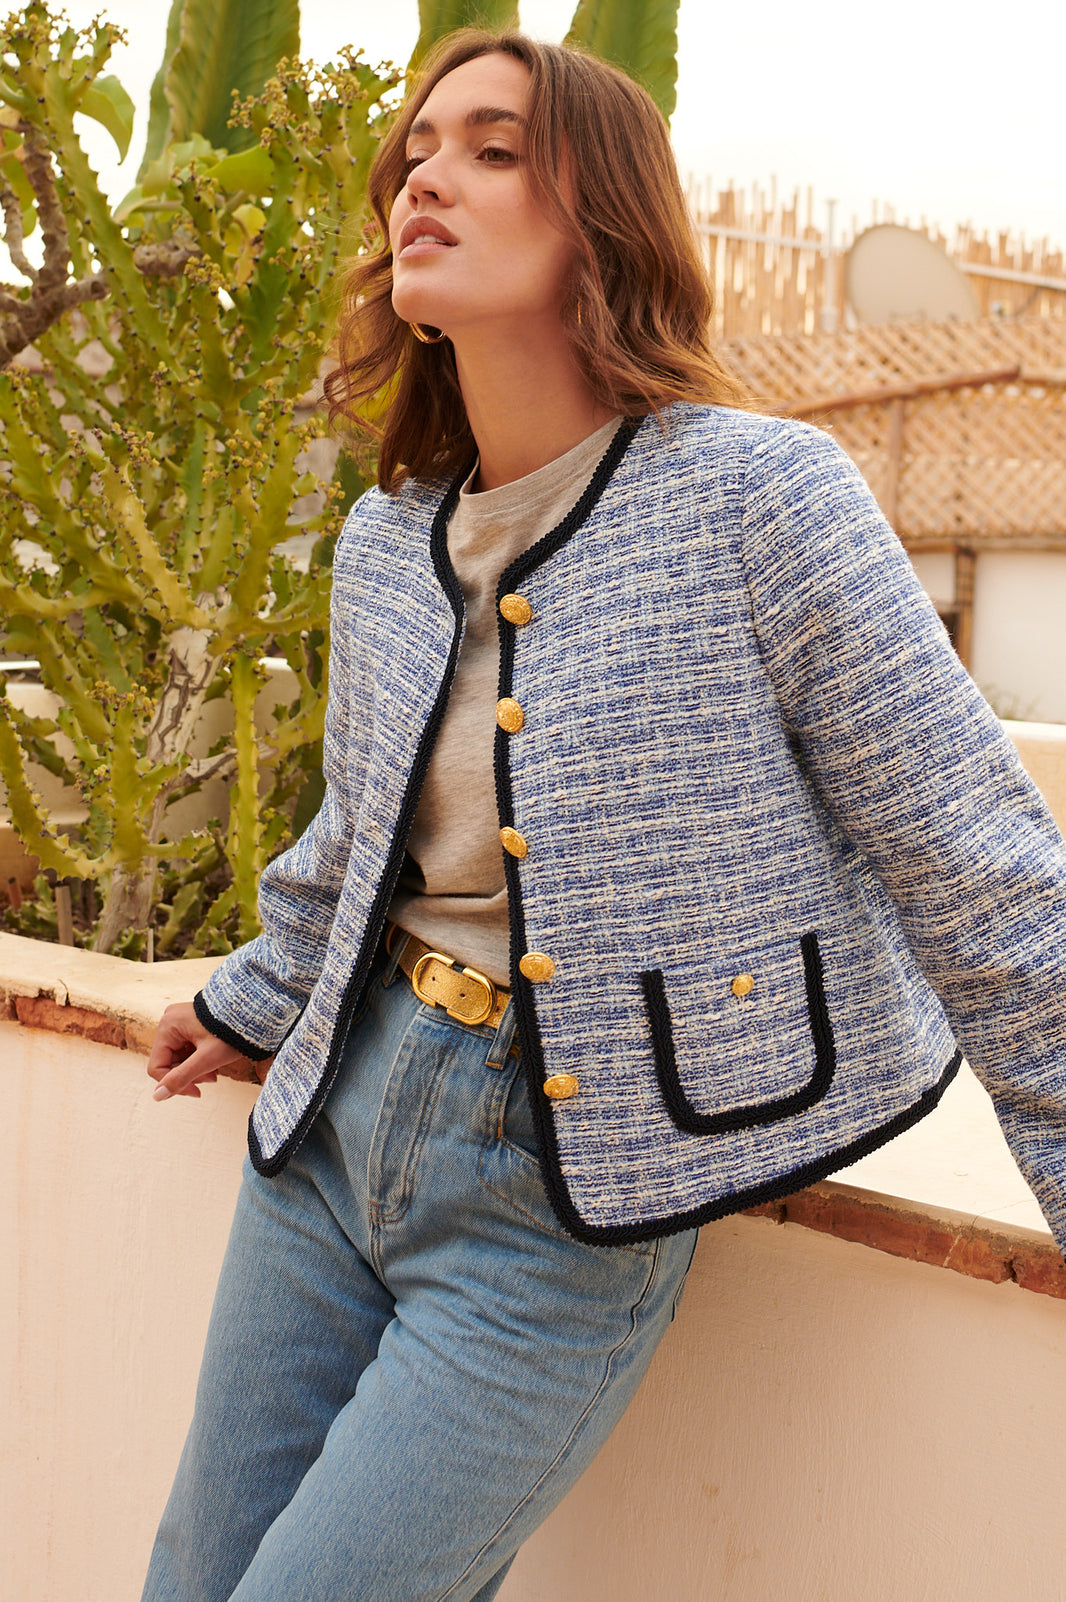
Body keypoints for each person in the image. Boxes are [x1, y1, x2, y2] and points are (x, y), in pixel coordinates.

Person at [141, 28, 1066, 1602]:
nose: (425, 178)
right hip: (330, 1130)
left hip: (560, 1197)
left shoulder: (764, 499)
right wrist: (252, 997)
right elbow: (359, 836)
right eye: (416, 152)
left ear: (604, 219)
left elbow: (981, 872)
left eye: (492, 148)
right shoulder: (387, 538)